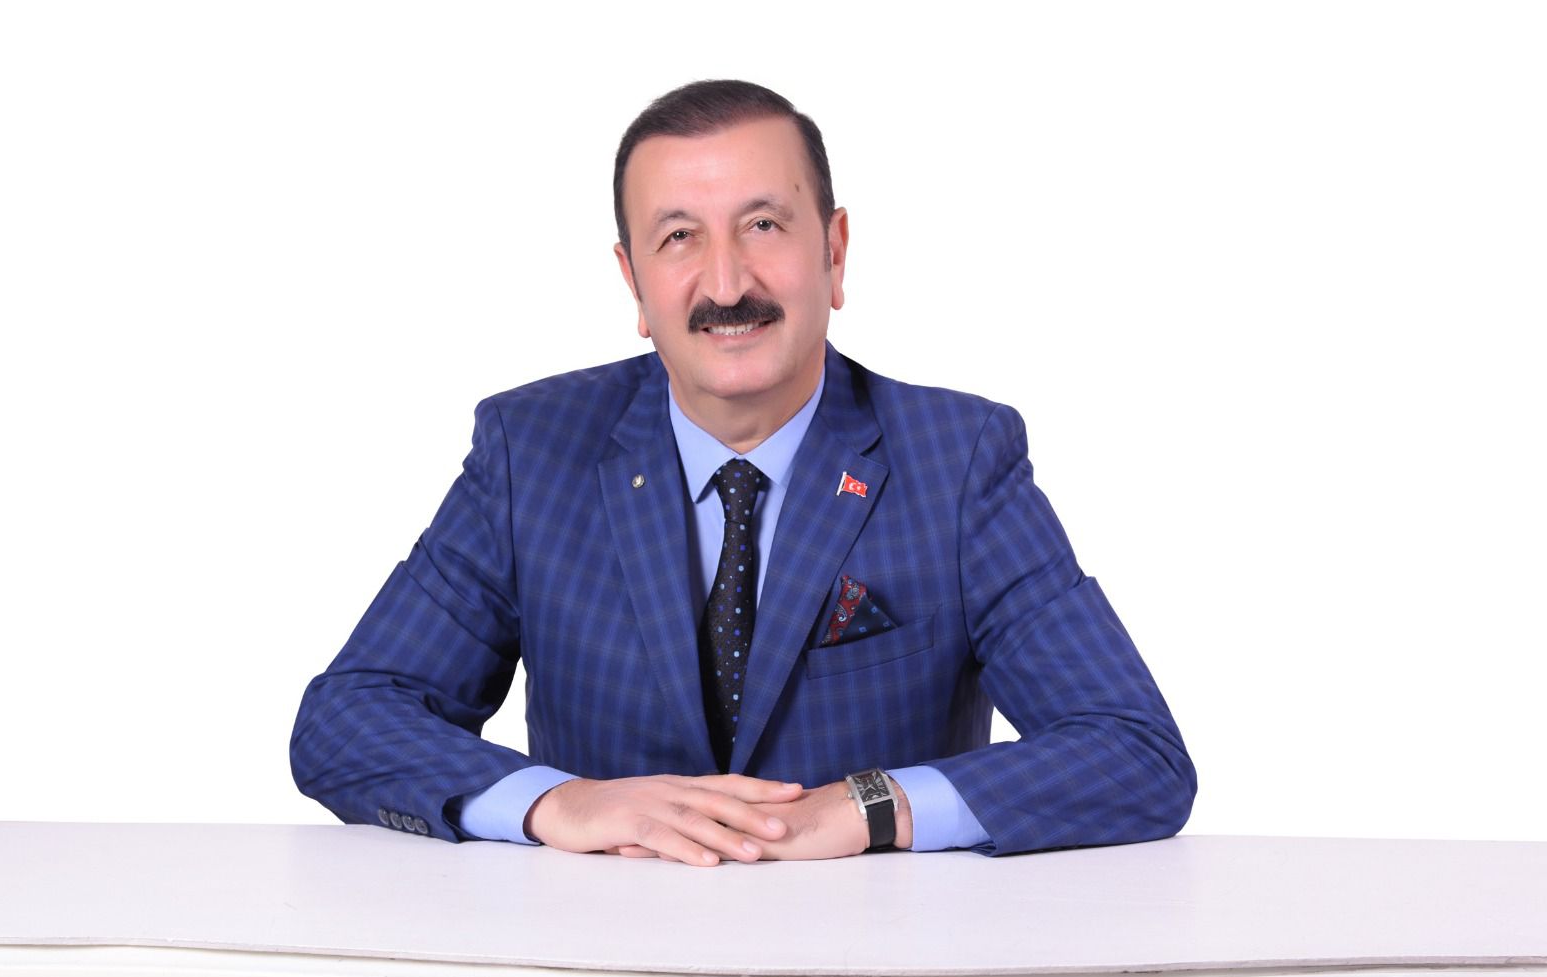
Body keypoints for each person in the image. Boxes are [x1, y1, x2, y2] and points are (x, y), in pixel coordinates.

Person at [290, 79, 1196, 864]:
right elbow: (347, 717)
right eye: (679, 237)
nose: (726, 284)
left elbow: (1133, 750)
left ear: (834, 251)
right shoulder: (532, 450)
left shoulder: (958, 460)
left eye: (763, 225)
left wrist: (869, 808)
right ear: (633, 281)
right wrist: (559, 803)